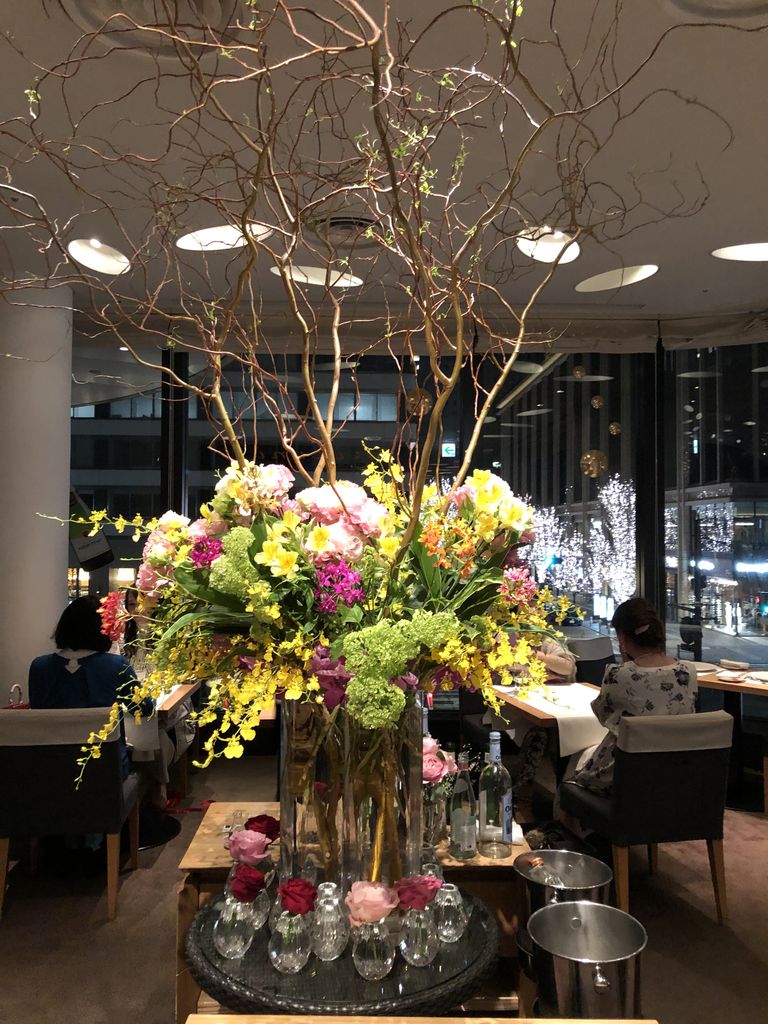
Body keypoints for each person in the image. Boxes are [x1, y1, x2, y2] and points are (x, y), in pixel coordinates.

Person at [570, 596, 698, 794]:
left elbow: (604, 717)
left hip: (622, 774)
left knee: (577, 764)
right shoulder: (688, 671)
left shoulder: (618, 674)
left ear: (622, 638)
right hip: (675, 773)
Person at [28, 596, 141, 779]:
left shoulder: (39, 667)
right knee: (149, 752)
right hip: (107, 771)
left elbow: (38, 712)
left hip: (51, 770)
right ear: (104, 629)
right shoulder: (116, 665)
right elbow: (143, 709)